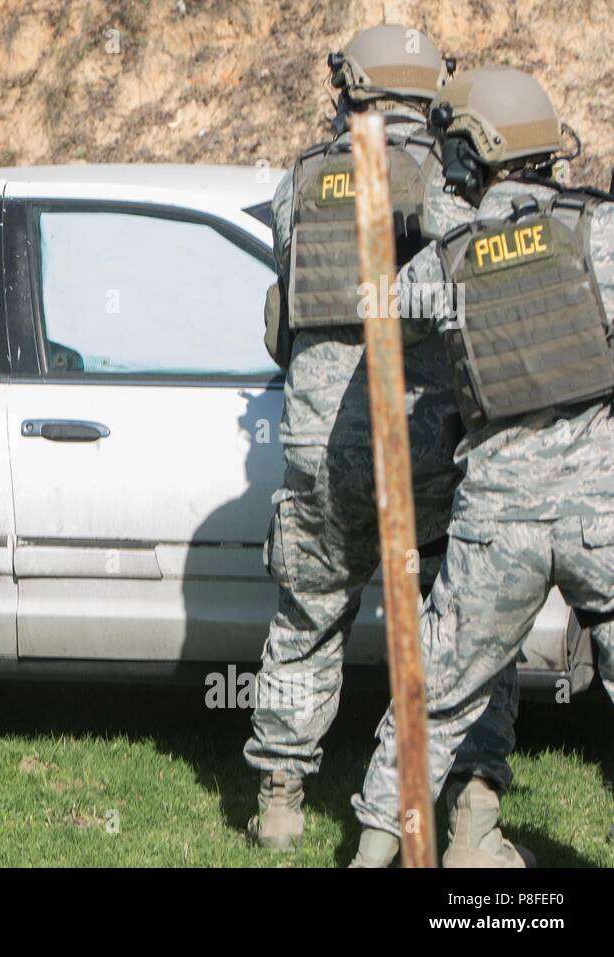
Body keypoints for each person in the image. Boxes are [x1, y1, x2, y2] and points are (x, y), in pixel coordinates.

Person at [246, 24, 517, 852]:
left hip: (321, 450)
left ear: (353, 88)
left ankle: (283, 803)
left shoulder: (303, 179)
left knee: (307, 621)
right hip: (427, 445)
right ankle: (469, 815)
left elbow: (279, 322)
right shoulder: (457, 176)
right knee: (464, 639)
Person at [351, 66, 614, 868]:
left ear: (471, 155)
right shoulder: (596, 232)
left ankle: (372, 849)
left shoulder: (451, 260)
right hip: (602, 508)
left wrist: (443, 217)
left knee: (436, 693)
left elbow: (385, 312)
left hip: (497, 520)